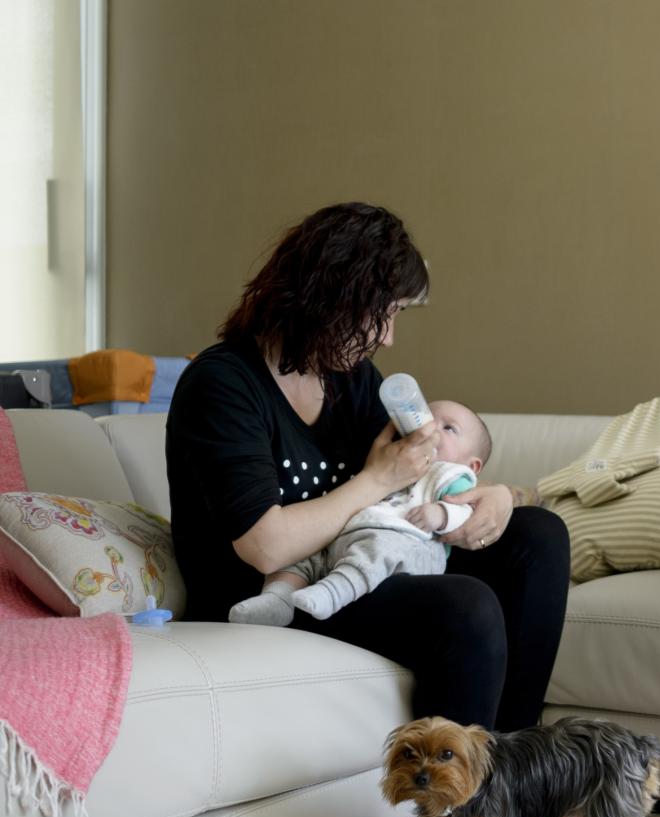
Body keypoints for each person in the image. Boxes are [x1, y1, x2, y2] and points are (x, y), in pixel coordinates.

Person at [166, 202, 570, 734]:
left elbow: (422, 469)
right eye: (383, 313)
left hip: (356, 560)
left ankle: (515, 777)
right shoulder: (223, 385)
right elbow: (265, 545)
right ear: (331, 297)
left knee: (538, 536)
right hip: (274, 593)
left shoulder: (349, 379)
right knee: (464, 607)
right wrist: (377, 479)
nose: (388, 336)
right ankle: (455, 811)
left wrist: (492, 496)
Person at [230, 399, 495, 624]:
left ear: (473, 466)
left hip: (406, 547)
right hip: (354, 533)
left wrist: (440, 514)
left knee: (378, 552)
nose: (432, 431)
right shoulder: (396, 455)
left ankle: (332, 593)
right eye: (427, 420)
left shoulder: (452, 474)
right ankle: (277, 599)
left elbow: (465, 509)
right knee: (303, 552)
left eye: (449, 428)